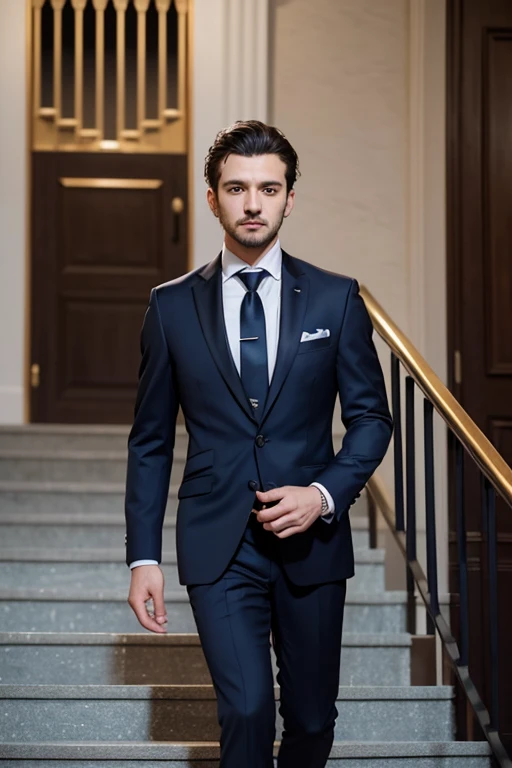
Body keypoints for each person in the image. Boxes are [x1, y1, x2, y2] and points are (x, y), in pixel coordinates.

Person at [125, 120, 393, 768]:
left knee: (310, 715)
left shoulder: (336, 299)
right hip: (218, 539)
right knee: (245, 709)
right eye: (236, 188)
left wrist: (325, 494)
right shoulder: (170, 307)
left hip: (314, 543)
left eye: (268, 188)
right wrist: (143, 558)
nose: (252, 202)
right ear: (213, 197)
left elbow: (371, 419)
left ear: (289, 199)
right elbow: (151, 441)